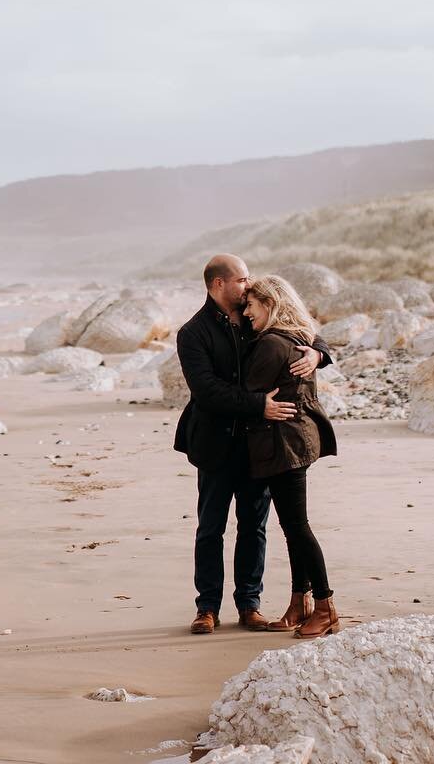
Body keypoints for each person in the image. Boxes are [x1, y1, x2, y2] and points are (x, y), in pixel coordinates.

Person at [173, 254, 331, 635]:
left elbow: (297, 322)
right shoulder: (192, 333)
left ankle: (249, 604)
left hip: (259, 445)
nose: (249, 284)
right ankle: (207, 608)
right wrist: (259, 404)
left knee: (253, 527)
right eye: (242, 279)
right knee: (210, 528)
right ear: (218, 284)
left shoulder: (253, 312)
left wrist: (318, 352)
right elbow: (207, 391)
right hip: (214, 442)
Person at [240, 274, 339, 637]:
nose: (247, 312)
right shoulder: (302, 336)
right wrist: (319, 352)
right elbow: (317, 342)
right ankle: (300, 603)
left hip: (284, 443)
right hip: (298, 440)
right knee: (292, 526)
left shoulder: (271, 344)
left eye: (251, 305)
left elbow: (246, 391)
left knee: (297, 527)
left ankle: (326, 607)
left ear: (270, 304)